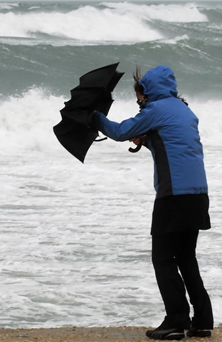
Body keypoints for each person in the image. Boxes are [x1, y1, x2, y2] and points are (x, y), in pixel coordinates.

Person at [91, 65, 214, 341]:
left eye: (139, 98)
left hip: (174, 195)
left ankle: (176, 321)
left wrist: (94, 117)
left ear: (147, 92)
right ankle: (203, 321)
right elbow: (174, 144)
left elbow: (121, 131)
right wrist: (148, 141)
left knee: (162, 259)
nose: (139, 103)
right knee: (186, 258)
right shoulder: (183, 110)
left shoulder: (155, 110)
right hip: (197, 194)